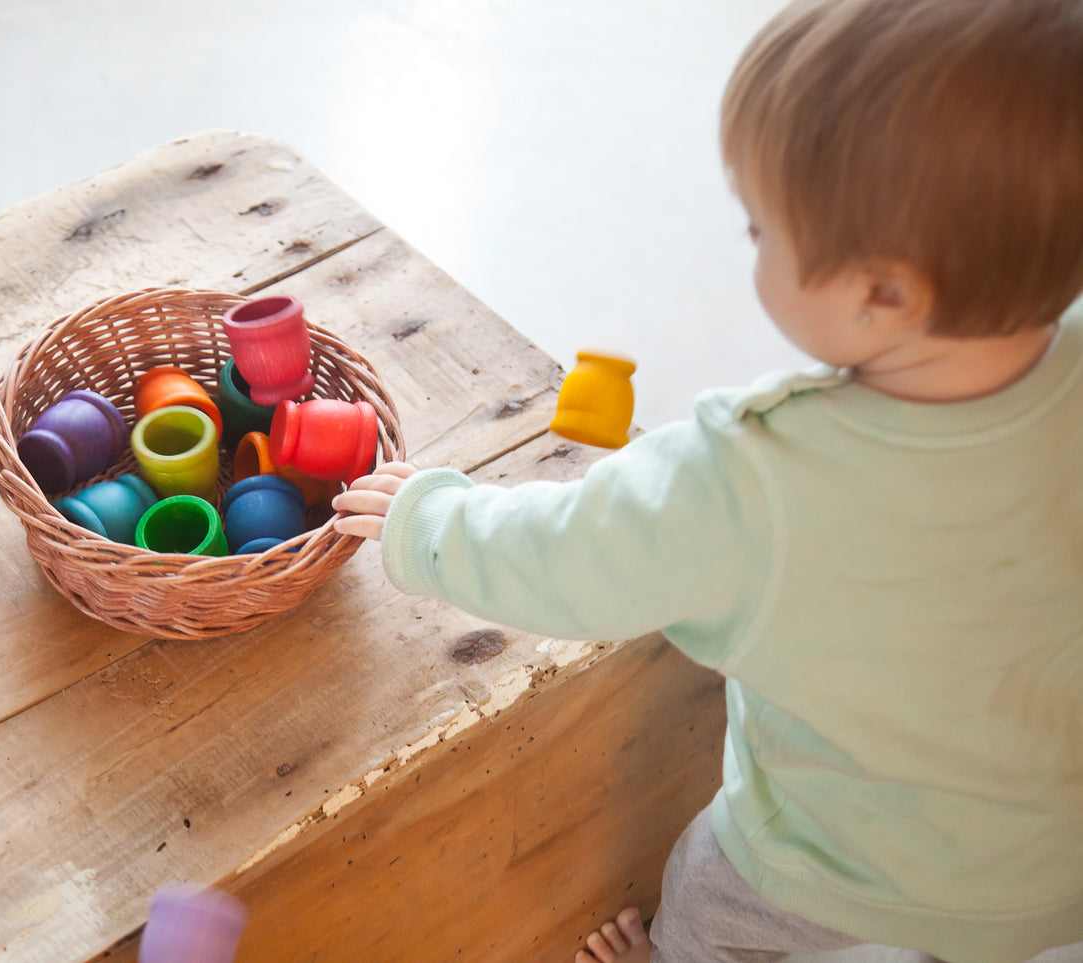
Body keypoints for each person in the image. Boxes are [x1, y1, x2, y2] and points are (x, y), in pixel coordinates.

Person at [331, 0, 1083, 960]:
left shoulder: (755, 476)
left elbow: (574, 561)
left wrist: (434, 525)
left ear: (882, 295)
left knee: (709, 886)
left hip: (837, 870)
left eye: (761, 230)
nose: (751, 247)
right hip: (1055, 865)